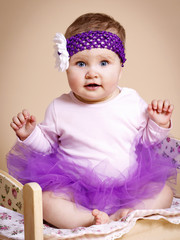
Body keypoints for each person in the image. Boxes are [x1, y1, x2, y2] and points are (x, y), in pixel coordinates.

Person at [7, 13, 177, 229]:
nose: (92, 73)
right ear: (66, 67)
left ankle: (127, 212)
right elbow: (48, 146)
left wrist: (158, 124)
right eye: (80, 64)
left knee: (165, 192)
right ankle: (89, 219)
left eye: (104, 63)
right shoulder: (59, 107)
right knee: (46, 202)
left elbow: (146, 140)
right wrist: (30, 134)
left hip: (127, 186)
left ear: (120, 68)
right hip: (75, 191)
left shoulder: (132, 101)